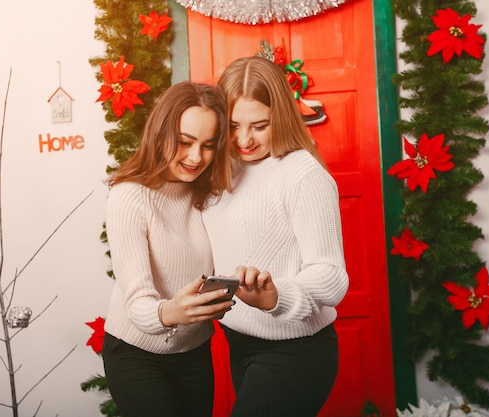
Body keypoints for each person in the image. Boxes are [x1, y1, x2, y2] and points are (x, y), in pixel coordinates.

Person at [203, 56, 350, 416]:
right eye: (234, 126)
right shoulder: (222, 169)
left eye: (259, 125)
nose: (244, 139)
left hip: (294, 352)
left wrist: (276, 296)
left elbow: (332, 277)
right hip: (238, 343)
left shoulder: (302, 174)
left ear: (281, 116)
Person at [102, 81, 234, 417]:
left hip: (194, 352)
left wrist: (214, 302)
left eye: (207, 146)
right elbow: (138, 303)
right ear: (160, 133)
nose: (195, 158)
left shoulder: (209, 195)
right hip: (136, 355)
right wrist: (172, 312)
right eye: (184, 142)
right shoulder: (129, 197)